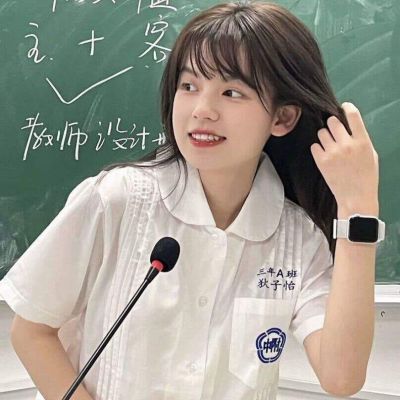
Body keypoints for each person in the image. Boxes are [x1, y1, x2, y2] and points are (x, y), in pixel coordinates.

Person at [0, 1, 381, 399]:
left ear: (282, 118)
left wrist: (359, 210)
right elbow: (32, 331)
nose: (202, 110)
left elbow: (342, 377)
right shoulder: (116, 199)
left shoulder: (297, 237)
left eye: (231, 92)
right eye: (189, 86)